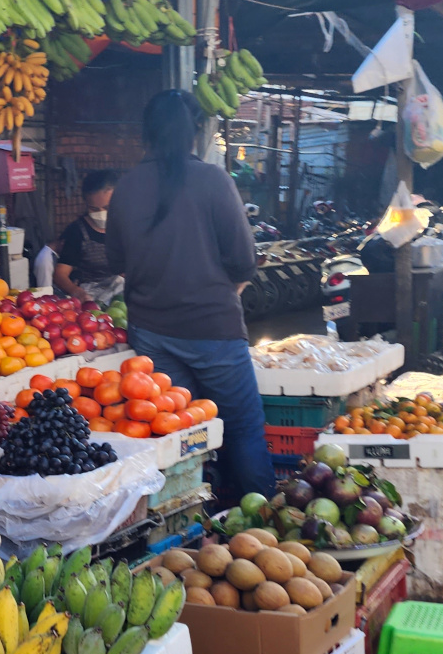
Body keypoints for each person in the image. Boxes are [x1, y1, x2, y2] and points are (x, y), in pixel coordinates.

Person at [105, 90, 276, 498]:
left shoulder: (126, 188)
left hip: (152, 333)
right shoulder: (213, 179)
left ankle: (193, 523)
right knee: (242, 429)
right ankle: (262, 527)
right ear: (198, 132)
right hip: (214, 329)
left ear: (145, 135)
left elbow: (115, 260)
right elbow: (243, 261)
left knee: (180, 432)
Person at [54, 170, 123, 304]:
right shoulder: (77, 232)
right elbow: (60, 274)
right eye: (94, 209)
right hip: (91, 298)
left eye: (108, 207)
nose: (102, 213)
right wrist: (77, 292)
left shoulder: (126, 227)